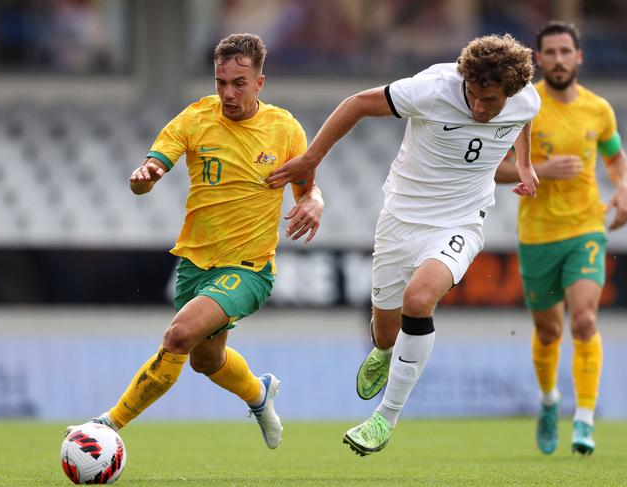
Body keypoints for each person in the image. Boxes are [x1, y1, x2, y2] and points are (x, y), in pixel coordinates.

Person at [267, 33, 540, 455]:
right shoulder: (430, 89)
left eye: (494, 100)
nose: (483, 108)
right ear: (464, 80)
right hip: (400, 218)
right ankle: (382, 348)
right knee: (385, 330)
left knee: (419, 300)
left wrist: (522, 162)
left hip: (461, 221)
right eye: (476, 96)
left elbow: (523, 119)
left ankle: (385, 418)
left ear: (512, 91)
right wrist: (311, 159)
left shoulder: (526, 99)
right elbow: (357, 103)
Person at [67, 33, 324, 450]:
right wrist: (144, 177)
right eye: (221, 82)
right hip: (193, 265)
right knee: (207, 361)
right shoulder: (195, 118)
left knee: (179, 336)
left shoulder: (285, 129)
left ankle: (107, 424)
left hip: (248, 269)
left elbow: (308, 189)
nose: (227, 93)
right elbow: (150, 172)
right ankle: (259, 395)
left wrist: (315, 202)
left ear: (259, 83)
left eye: (239, 83)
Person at [495, 21, 627, 455]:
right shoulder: (522, 107)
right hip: (537, 235)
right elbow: (494, 169)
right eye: (549, 53)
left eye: (564, 52)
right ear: (538, 59)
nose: (557, 60)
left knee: (585, 321)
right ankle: (551, 401)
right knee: (550, 332)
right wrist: (539, 169)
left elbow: (614, 159)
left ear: (578, 57)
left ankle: (585, 419)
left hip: (585, 228)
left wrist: (625, 188)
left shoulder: (599, 110)